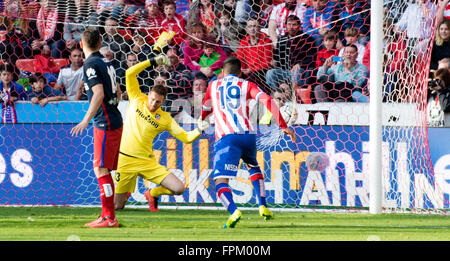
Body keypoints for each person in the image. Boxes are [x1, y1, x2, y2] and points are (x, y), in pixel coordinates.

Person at [200, 56, 296, 228]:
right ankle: (262, 206)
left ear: (222, 72)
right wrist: (283, 125)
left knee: (220, 181)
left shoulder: (213, 86)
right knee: (253, 167)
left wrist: (202, 121)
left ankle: (233, 210)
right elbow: (267, 100)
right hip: (248, 135)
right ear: (241, 73)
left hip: (227, 137)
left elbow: (205, 109)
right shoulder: (246, 85)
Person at [113, 57, 207, 211]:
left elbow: (186, 138)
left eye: (158, 102)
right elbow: (129, 73)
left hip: (147, 162)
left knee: (179, 188)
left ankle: (153, 193)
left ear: (163, 102)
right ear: (148, 95)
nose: (153, 104)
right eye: (152, 99)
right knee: (117, 207)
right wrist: (152, 61)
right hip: (125, 160)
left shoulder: (165, 119)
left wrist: (199, 129)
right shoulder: (137, 98)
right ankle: (125, 193)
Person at [70, 28, 123, 228]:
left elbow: (99, 93)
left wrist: (85, 120)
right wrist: (113, 103)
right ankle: (106, 215)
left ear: (82, 45)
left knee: (100, 169)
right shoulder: (106, 61)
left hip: (105, 121)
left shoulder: (90, 63)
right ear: (100, 44)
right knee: (103, 169)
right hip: (112, 117)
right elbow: (117, 89)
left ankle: (109, 218)